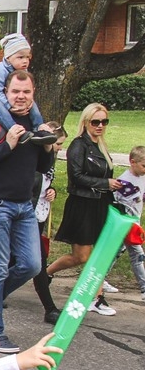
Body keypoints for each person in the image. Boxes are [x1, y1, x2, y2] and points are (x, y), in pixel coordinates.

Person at [0, 70, 56, 353]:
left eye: (26, 92)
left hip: (23, 205)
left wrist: (49, 147)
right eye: (15, 91)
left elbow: (39, 167)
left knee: (32, 265)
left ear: (33, 93)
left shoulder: (35, 122)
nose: (20, 97)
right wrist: (7, 145)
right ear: (6, 92)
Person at [45, 103, 124, 316]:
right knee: (81, 256)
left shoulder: (101, 145)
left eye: (104, 121)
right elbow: (76, 177)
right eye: (95, 122)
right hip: (82, 204)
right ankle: (47, 273)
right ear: (86, 122)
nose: (100, 126)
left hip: (100, 204)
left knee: (97, 254)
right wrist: (106, 183)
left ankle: (96, 298)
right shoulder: (79, 145)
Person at [0, 34, 54, 146]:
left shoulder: (22, 71)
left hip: (5, 100)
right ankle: (16, 130)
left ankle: (39, 129)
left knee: (31, 102)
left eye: (27, 57)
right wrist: (10, 107)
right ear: (8, 58)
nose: (25, 61)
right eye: (20, 57)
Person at [30, 122, 68, 323]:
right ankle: (50, 308)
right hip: (28, 215)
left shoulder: (50, 160)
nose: (60, 148)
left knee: (19, 261)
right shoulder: (34, 158)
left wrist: (52, 190)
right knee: (39, 261)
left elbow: (46, 183)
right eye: (59, 143)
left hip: (41, 214)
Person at [112, 145, 145, 302]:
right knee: (138, 255)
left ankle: (100, 278)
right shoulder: (124, 182)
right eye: (143, 165)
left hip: (135, 223)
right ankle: (144, 288)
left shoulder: (142, 178)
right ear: (132, 162)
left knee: (116, 252)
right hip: (126, 225)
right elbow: (115, 203)